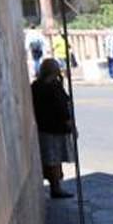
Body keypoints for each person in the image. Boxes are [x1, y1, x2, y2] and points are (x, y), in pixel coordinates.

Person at [30, 58, 77, 198]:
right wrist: (69, 122)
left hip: (44, 127)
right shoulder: (53, 86)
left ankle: (55, 186)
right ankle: (55, 188)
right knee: (54, 159)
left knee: (51, 159)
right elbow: (62, 106)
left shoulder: (36, 86)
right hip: (54, 128)